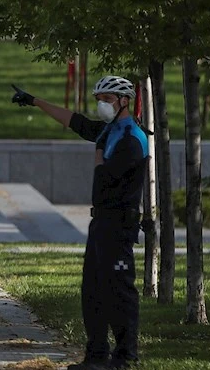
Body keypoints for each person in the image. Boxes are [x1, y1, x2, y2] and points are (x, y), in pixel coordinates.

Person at [11, 76, 148, 369]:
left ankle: (125, 357)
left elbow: (104, 181)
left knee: (119, 290)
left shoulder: (130, 138)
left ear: (125, 101)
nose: (102, 105)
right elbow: (75, 121)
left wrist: (98, 152)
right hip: (101, 223)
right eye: (99, 99)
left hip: (119, 224)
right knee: (93, 290)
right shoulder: (110, 131)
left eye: (107, 99)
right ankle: (96, 355)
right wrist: (34, 100)